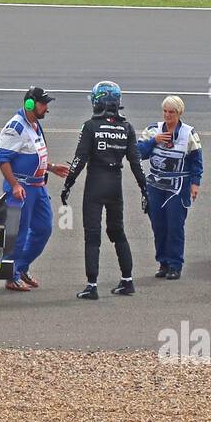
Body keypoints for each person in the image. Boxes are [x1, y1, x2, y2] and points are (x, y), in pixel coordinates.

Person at [62, 81, 147, 300]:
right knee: (117, 231)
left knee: (92, 235)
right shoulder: (126, 127)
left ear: (97, 101)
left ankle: (92, 285)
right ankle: (127, 281)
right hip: (115, 185)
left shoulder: (90, 126)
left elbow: (79, 158)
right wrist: (144, 188)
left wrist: (69, 182)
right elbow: (136, 162)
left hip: (95, 184)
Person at [0, 87, 69, 292]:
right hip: (21, 190)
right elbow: (2, 159)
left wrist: (52, 168)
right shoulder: (15, 127)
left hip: (38, 188)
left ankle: (21, 268)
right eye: (43, 104)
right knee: (17, 235)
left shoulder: (35, 125)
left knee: (43, 229)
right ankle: (10, 276)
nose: (46, 108)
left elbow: (35, 155)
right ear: (29, 104)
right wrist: (15, 185)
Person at [136, 95, 202, 280]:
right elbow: (137, 153)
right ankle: (163, 262)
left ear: (179, 113)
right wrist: (154, 141)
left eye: (171, 112)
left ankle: (175, 264)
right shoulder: (152, 130)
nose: (167, 115)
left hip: (179, 186)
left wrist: (195, 183)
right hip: (155, 185)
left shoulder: (188, 133)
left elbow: (197, 160)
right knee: (158, 224)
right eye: (165, 111)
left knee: (175, 225)